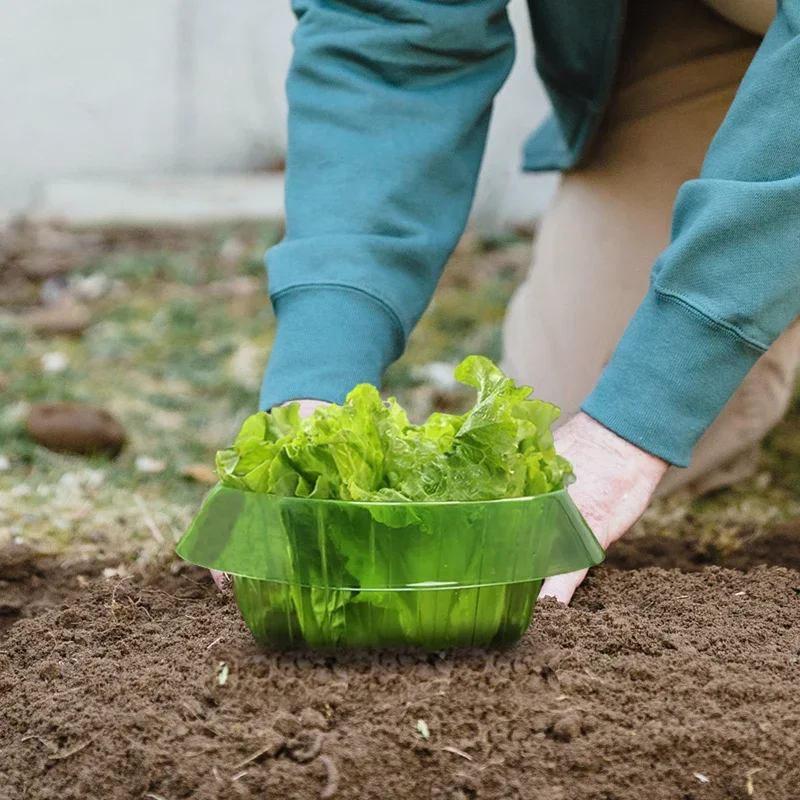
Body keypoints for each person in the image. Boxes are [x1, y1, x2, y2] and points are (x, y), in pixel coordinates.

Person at [221, 0, 800, 602]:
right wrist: (314, 388)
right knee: (564, 456)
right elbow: (390, 32)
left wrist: (636, 426)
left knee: (648, 412)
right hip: (712, 29)